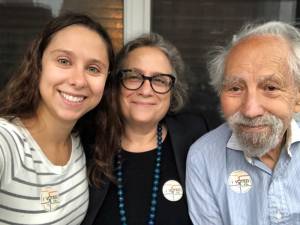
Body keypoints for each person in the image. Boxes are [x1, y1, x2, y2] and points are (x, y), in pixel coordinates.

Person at [82, 33, 210, 225]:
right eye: (134, 76)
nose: (145, 90)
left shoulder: (195, 137)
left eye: (159, 80)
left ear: (172, 91)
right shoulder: (86, 145)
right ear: (115, 86)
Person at [0, 13, 115, 224]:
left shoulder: (82, 142)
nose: (78, 80)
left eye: (93, 68)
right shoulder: (7, 141)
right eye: (64, 61)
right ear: (38, 64)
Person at [186, 21, 300, 225]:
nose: (250, 110)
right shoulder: (203, 157)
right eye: (235, 88)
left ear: (297, 99)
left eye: (271, 87)